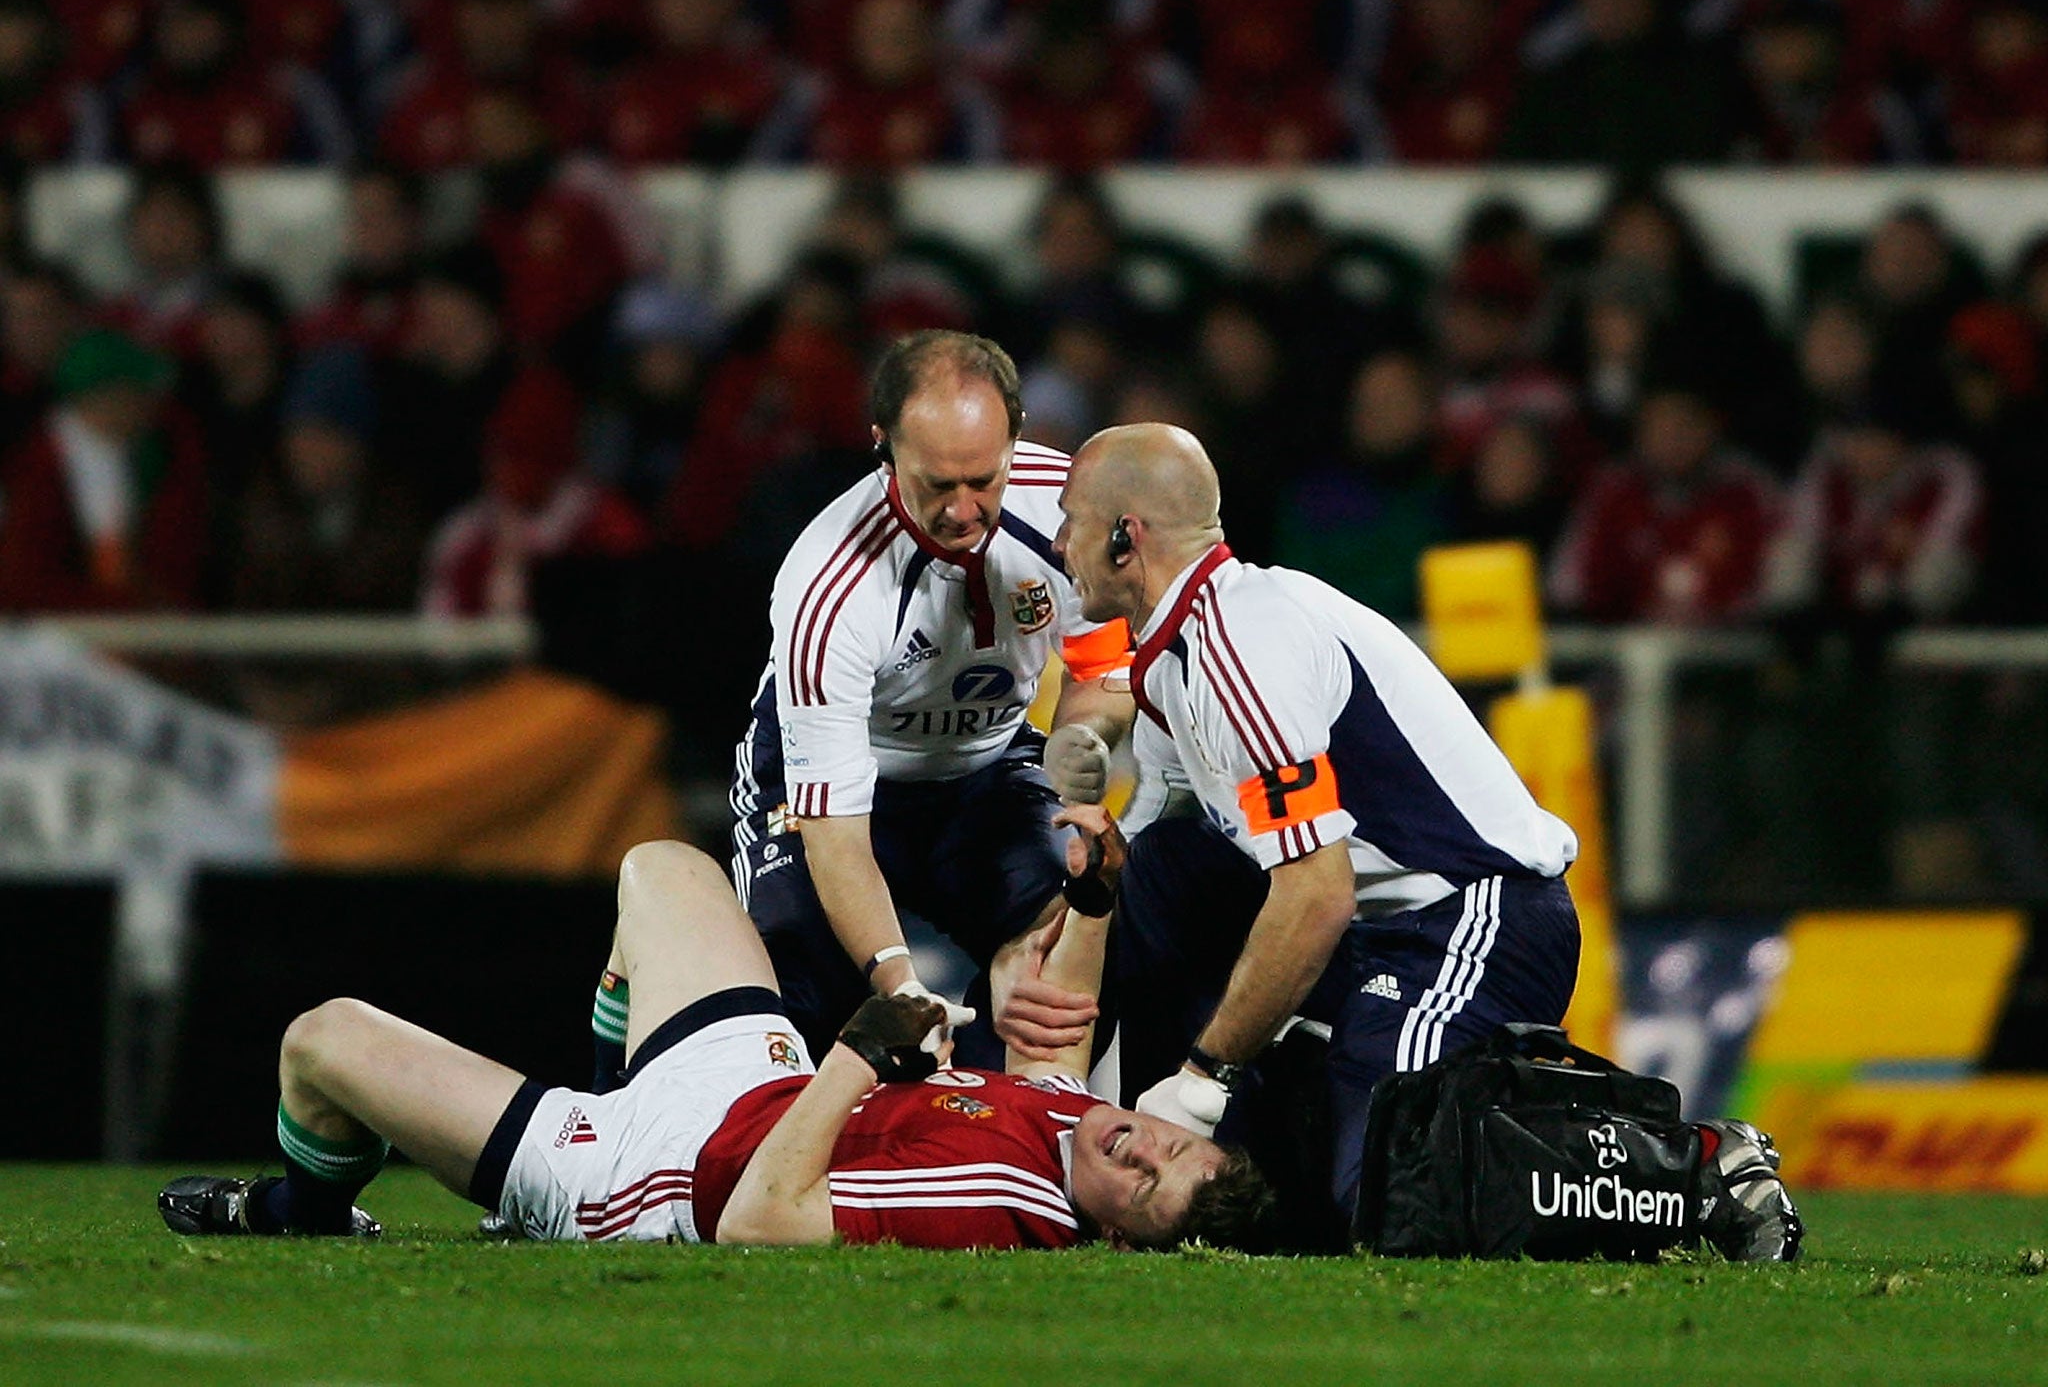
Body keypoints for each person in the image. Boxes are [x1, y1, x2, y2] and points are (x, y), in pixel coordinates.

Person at [159, 822, 1275, 1252]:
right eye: (1166, 1143)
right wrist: (1089, 905)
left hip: (659, 1173)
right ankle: (601, 1084)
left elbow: (756, 1225)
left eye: (1146, 1184)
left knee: (321, 1040)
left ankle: (303, 1213)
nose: (1138, 1150)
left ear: (1121, 1238)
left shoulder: (1003, 1209)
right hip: (747, 1083)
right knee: (662, 868)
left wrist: (858, 1049)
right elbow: (1052, 1054)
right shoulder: (1087, 1133)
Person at [1037, 422, 1581, 1228]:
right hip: (1376, 937)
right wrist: (1062, 927)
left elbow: (1316, 896)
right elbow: (1157, 848)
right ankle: (1055, 1138)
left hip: (1474, 920)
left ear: (1126, 536)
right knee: (1157, 877)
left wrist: (1201, 1078)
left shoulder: (1241, 646)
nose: (1058, 541)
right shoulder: (1173, 657)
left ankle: (1669, 1166)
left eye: (1071, 517)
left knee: (1389, 1195)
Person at [630, 330, 1130, 1088]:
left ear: (1016, 438)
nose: (966, 510)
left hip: (988, 768)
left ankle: (993, 1155)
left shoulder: (1070, 514)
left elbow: (1104, 669)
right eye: (938, 484)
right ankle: (625, 1128)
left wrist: (1077, 739)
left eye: (984, 479)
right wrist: (899, 983)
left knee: (1063, 954)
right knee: (785, 1006)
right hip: (841, 787)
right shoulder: (829, 586)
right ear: (883, 448)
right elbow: (834, 831)